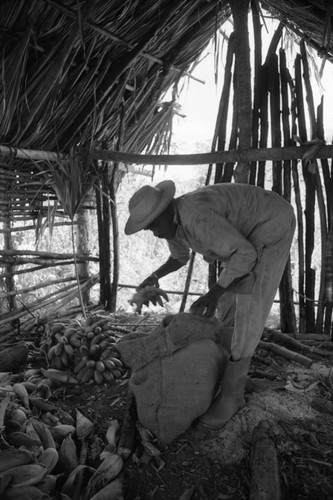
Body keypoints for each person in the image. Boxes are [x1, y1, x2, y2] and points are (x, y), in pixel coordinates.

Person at [125, 180, 296, 429]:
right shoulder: (173, 222)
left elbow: (246, 255)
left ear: (166, 210)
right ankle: (227, 370)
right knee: (228, 302)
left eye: (154, 226)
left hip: (271, 223)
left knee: (249, 303)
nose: (157, 233)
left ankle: (232, 396)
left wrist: (212, 294)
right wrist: (155, 276)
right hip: (245, 239)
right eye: (150, 230)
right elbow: (179, 256)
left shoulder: (196, 217)